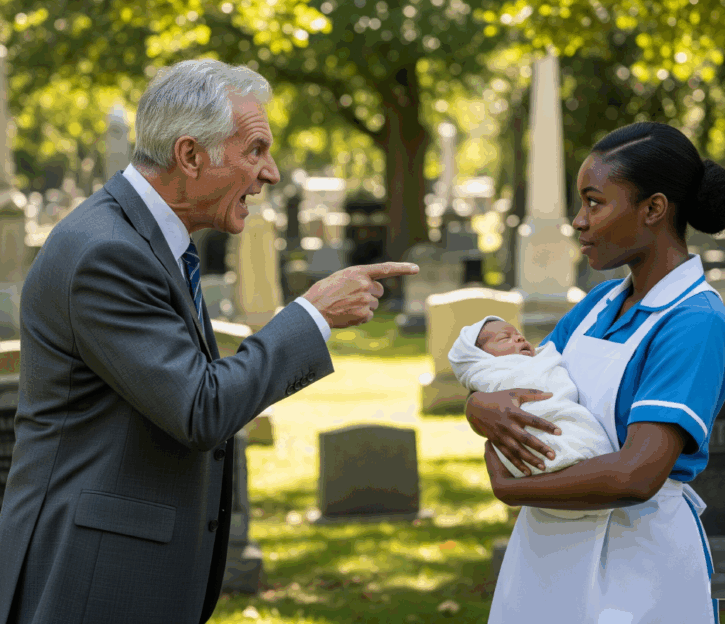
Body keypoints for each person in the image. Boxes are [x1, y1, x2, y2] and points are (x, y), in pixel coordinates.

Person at [0, 59, 418, 624]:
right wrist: (311, 317)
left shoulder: (142, 240)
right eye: (255, 151)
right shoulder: (106, 252)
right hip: (89, 577)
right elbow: (199, 406)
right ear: (190, 155)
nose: (270, 173)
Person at [466, 121, 725, 624]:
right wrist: (478, 405)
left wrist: (511, 489)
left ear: (654, 209)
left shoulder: (693, 322)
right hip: (546, 554)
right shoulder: (597, 306)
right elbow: (528, 389)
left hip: (638, 565)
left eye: (595, 202)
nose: (578, 221)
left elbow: (638, 474)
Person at [448, 316, 615, 519]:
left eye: (519, 335)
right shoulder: (494, 372)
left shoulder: (540, 360)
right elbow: (485, 382)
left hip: (594, 481)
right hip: (561, 491)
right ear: (479, 358)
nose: (519, 339)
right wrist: (475, 403)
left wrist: (507, 488)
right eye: (505, 338)